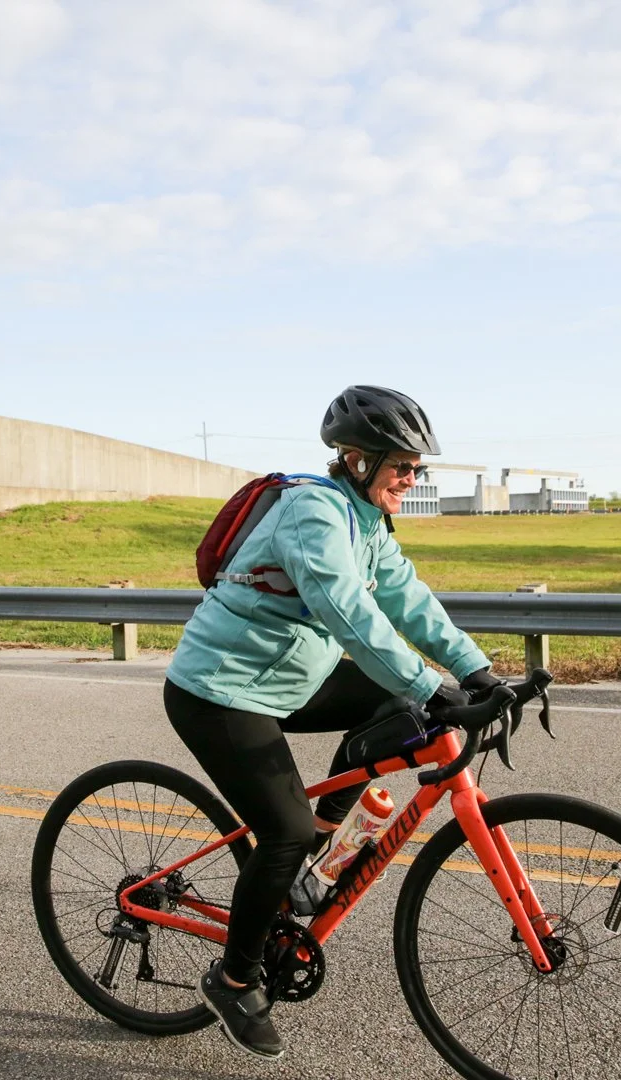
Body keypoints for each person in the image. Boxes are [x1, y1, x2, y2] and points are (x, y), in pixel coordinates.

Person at [164, 386, 503, 1060]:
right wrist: (428, 684)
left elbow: (406, 599)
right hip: (219, 692)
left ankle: (315, 854)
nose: (412, 478)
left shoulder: (368, 522)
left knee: (395, 709)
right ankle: (233, 980)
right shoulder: (314, 512)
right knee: (282, 829)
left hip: (292, 680)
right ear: (357, 460)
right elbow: (347, 610)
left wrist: (477, 671)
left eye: (417, 467)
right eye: (402, 465)